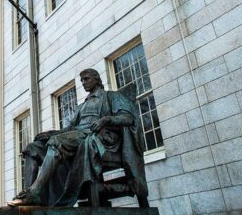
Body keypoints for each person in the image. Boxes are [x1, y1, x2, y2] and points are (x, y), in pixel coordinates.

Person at [8, 68, 147, 207]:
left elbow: (128, 117)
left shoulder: (111, 96)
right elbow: (70, 129)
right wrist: (51, 133)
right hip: (78, 135)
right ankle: (29, 196)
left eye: (87, 79)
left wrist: (105, 120)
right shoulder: (81, 106)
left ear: (96, 79)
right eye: (82, 80)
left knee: (56, 142)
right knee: (33, 148)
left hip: (97, 137)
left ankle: (35, 191)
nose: (83, 82)